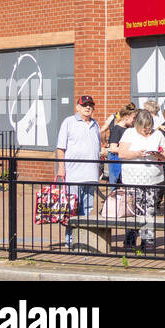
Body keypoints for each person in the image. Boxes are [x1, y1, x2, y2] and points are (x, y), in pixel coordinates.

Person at [118, 109, 165, 251]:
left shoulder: (158, 134)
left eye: (149, 128)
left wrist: (158, 155)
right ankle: (130, 238)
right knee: (134, 209)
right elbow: (122, 153)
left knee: (150, 209)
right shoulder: (129, 133)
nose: (147, 132)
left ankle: (148, 239)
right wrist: (137, 153)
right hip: (133, 178)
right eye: (144, 129)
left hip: (152, 178)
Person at [55, 95, 102, 249]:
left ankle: (83, 239)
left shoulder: (95, 124)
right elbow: (61, 148)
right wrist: (61, 168)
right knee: (72, 209)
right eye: (85, 105)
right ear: (78, 107)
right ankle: (70, 240)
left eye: (91, 105)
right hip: (73, 173)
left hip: (91, 174)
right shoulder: (69, 122)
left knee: (87, 209)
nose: (88, 108)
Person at [105, 103, 137, 187]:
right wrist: (131, 151)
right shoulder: (117, 129)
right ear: (126, 116)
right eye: (133, 118)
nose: (134, 120)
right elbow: (113, 148)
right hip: (116, 161)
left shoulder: (129, 129)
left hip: (125, 161)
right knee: (116, 186)